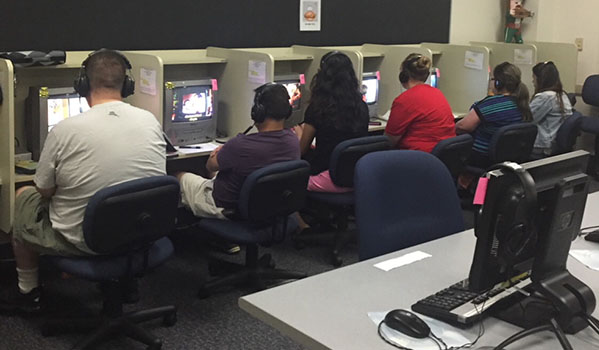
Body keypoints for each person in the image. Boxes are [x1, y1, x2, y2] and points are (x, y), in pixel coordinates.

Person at [1, 49, 166, 313]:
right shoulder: (150, 120)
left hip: (87, 241)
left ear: (83, 85)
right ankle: (125, 281)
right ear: (127, 85)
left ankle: (28, 291)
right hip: (140, 235)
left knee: (23, 197)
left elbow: (44, 190)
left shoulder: (66, 129)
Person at [176, 83, 299, 219]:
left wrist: (218, 153)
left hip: (227, 207)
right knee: (218, 173)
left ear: (257, 112)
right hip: (267, 207)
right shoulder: (292, 140)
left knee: (178, 175)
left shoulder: (240, 145)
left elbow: (210, 165)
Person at [295, 51, 369, 193]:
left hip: (330, 177)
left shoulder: (318, 108)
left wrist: (298, 132)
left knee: (289, 181)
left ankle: (298, 215)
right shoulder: (361, 106)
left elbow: (301, 150)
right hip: (357, 177)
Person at [456, 62, 532, 169]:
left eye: (492, 79)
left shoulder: (490, 104)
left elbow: (462, 127)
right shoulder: (521, 103)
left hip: (482, 158)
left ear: (497, 83)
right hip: (509, 159)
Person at [384, 53, 456, 152]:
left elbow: (389, 140)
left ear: (403, 76)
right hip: (442, 156)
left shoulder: (404, 100)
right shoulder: (437, 93)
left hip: (418, 157)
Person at [529, 61, 573, 158]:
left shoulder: (545, 97)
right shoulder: (561, 94)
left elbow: (527, 120)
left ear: (540, 79)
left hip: (542, 147)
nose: (533, 81)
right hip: (553, 143)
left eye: (534, 78)